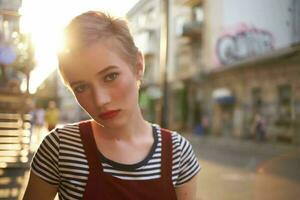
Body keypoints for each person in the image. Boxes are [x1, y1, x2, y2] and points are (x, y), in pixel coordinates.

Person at [23, 11, 200, 200]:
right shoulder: (59, 148)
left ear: (138, 65)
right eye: (81, 87)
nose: (100, 100)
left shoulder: (178, 153)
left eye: (110, 76)